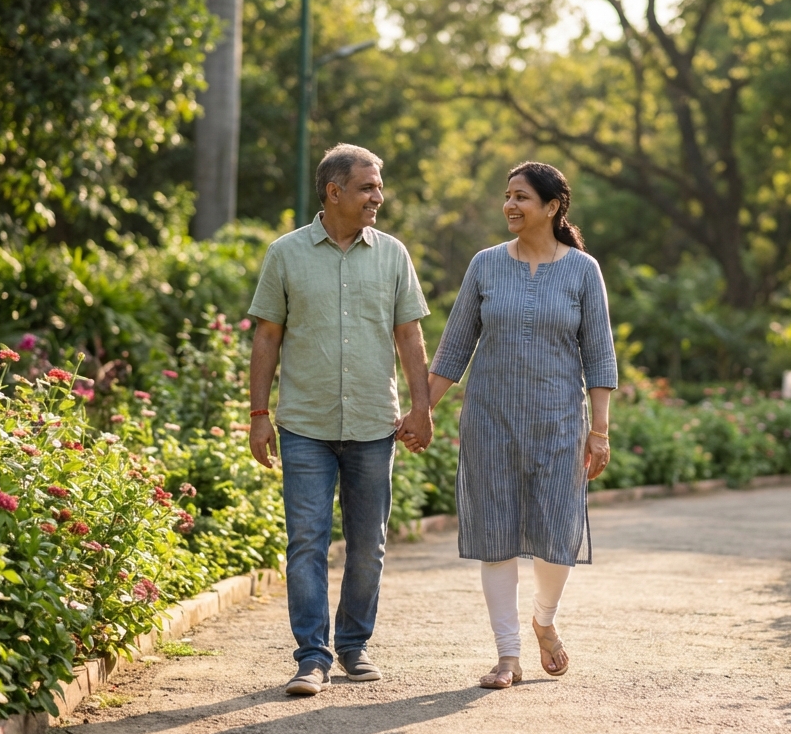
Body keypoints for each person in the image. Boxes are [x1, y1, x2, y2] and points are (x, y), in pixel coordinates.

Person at [413, 161, 617, 689]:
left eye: (522, 197)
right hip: (491, 420)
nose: (510, 205)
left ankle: (544, 621)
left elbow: (599, 356)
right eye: (507, 196)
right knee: (496, 532)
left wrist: (600, 431)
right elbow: (455, 346)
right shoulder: (484, 266)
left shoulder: (582, 270)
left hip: (558, 423)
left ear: (551, 207)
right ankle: (507, 656)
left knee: (557, 532)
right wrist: (422, 409)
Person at [247, 143, 433, 696]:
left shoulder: (394, 255)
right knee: (306, 541)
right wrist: (259, 415)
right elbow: (267, 337)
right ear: (334, 192)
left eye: (378, 186)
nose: (379, 196)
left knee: (369, 543)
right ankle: (311, 656)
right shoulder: (285, 254)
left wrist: (421, 407)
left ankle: (353, 646)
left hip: (376, 425)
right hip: (305, 424)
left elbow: (410, 335)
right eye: (368, 187)